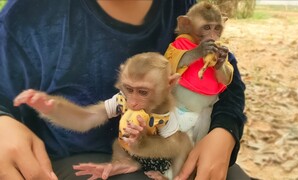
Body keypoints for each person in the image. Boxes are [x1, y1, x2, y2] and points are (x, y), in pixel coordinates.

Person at [0, 0, 249, 179]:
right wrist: (46, 108)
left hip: (172, 147)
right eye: (128, 90)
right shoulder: (29, 14)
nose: (134, 102)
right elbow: (86, 117)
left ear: (170, 83)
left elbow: (227, 82)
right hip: (81, 157)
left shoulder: (184, 8)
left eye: (143, 92)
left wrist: (226, 131)